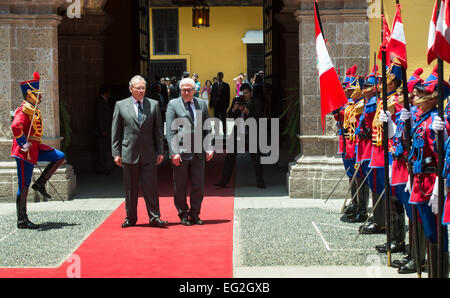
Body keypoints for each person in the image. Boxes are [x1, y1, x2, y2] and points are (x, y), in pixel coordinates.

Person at [11, 72, 66, 229]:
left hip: (36, 147)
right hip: (25, 151)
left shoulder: (32, 109)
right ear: (29, 95)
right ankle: (22, 219)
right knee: (24, 184)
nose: (39, 97)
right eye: (36, 94)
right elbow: (15, 126)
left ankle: (40, 183)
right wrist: (22, 143)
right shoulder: (23, 110)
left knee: (59, 156)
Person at [111, 75, 166, 228]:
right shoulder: (120, 105)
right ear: (131, 89)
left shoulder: (153, 105)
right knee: (130, 188)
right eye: (138, 88)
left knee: (151, 187)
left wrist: (160, 151)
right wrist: (116, 153)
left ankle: (154, 217)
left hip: (149, 152)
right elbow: (116, 131)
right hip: (129, 152)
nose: (141, 91)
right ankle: (131, 218)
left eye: (143, 88)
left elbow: (158, 131)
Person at [166, 77, 214, 226]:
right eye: (183, 89)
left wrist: (210, 147)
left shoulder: (202, 104)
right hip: (181, 151)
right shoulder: (173, 104)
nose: (186, 92)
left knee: (198, 185)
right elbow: (170, 130)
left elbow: (207, 127)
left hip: (198, 151)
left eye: (189, 89)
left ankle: (195, 213)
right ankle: (183, 214)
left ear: (195, 90)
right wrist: (173, 152)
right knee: (180, 186)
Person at [215, 83, 265, 189]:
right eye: (242, 93)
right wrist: (233, 108)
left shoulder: (256, 102)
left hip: (251, 134)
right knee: (230, 157)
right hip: (237, 134)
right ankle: (224, 181)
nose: (245, 95)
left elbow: (259, 117)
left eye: (246, 93)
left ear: (250, 92)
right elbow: (229, 115)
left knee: (256, 158)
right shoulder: (236, 101)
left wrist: (248, 112)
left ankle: (260, 181)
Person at [94, 85, 113, 175]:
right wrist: (103, 130)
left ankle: (104, 168)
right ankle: (101, 169)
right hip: (102, 131)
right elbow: (100, 117)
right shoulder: (100, 102)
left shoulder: (103, 102)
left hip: (104, 130)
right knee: (102, 150)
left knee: (104, 150)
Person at [210, 72, 230, 136]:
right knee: (216, 119)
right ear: (217, 76)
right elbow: (212, 94)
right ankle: (216, 132)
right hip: (216, 105)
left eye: (221, 76)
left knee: (224, 119)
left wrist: (227, 105)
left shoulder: (226, 85)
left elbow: (228, 96)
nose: (219, 77)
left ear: (223, 76)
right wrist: (211, 103)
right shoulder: (214, 85)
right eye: (218, 76)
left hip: (223, 105)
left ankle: (225, 132)